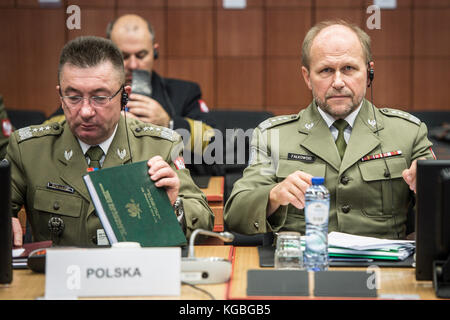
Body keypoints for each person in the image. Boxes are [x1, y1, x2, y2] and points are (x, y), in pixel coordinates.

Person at [224, 20, 435, 240]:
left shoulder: (409, 133)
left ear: (369, 72)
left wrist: (430, 191)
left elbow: (441, 215)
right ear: (307, 77)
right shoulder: (272, 136)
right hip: (304, 268)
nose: (338, 82)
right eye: (326, 70)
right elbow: (236, 214)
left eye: (349, 69)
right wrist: (273, 196)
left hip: (384, 269)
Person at [7, 36, 214, 247]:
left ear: (125, 97)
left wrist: (173, 207)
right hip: (60, 276)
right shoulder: (29, 150)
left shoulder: (160, 145)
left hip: (135, 275)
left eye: (99, 97)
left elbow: (204, 220)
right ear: (61, 96)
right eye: (74, 97)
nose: (86, 111)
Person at [46, 14, 216, 175]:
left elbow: (216, 147)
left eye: (141, 55)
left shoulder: (184, 92)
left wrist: (169, 123)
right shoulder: (86, 91)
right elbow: (50, 133)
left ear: (154, 52)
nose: (133, 65)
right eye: (124, 56)